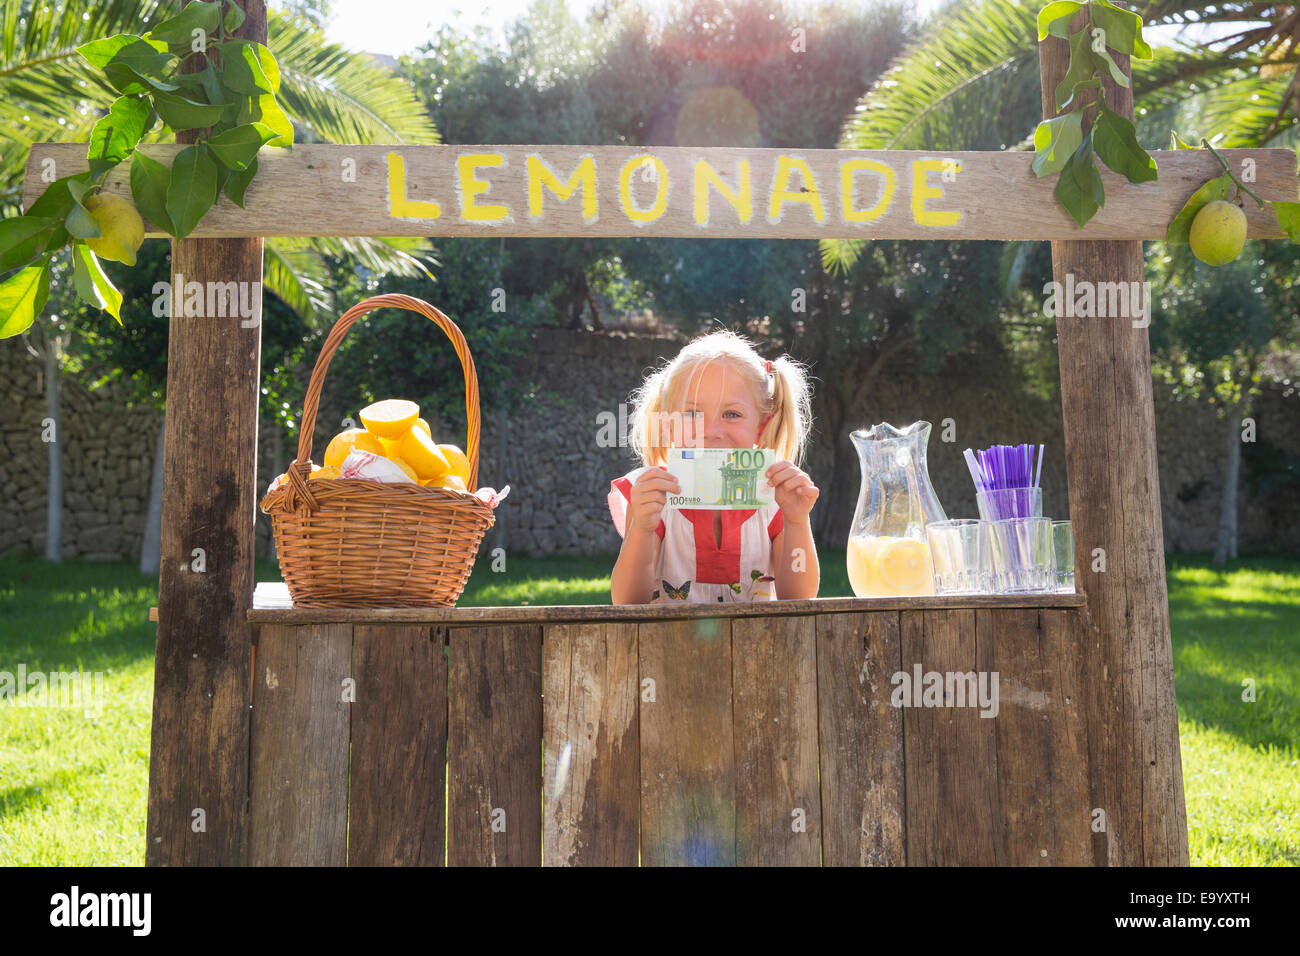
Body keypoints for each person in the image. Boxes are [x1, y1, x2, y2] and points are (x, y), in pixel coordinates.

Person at [608, 329, 820, 604]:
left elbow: (799, 598)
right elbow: (627, 602)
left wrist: (796, 522)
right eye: (692, 414)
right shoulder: (653, 495)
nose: (711, 431)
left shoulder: (777, 497)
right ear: (669, 425)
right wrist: (642, 528)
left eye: (731, 414)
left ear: (761, 425)